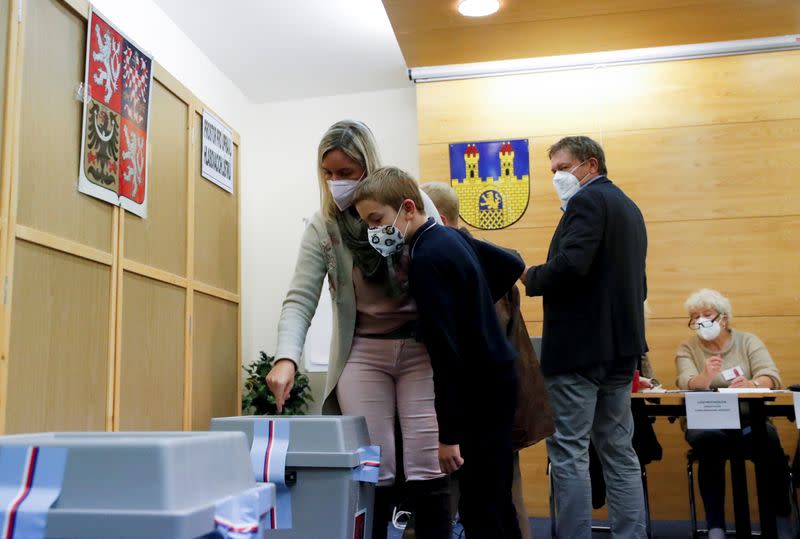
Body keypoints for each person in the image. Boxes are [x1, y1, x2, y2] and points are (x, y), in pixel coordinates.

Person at [265, 120, 450, 539]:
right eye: (328, 174)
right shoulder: (323, 226)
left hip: (421, 347)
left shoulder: (410, 203)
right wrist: (285, 357)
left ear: (368, 166)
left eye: (346, 173)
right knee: (374, 462)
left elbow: (446, 261)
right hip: (363, 351)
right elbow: (300, 298)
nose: (336, 183)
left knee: (427, 460)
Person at [353, 167, 524, 539]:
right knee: (497, 499)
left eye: (377, 220)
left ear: (408, 207)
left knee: (479, 508)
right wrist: (472, 304)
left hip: (480, 391)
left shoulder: (426, 260)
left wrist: (447, 437)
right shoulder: (449, 236)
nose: (373, 231)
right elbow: (512, 263)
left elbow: (445, 357)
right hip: (500, 377)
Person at [522, 136, 648, 538]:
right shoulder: (630, 208)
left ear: (590, 165)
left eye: (562, 168)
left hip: (579, 351)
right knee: (619, 452)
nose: (557, 177)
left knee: (569, 452)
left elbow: (573, 265)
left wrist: (529, 276)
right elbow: (638, 284)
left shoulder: (586, 202)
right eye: (553, 171)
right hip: (621, 350)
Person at [421, 181, 554, 539]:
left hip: (479, 406)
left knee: (485, 504)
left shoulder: (462, 264)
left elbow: (469, 347)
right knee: (503, 499)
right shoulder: (483, 259)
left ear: (439, 218)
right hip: (501, 402)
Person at [675, 288, 793, 539]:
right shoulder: (687, 348)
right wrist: (704, 376)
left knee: (769, 441)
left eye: (706, 314)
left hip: (749, 420)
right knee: (709, 443)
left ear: (724, 318)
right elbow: (685, 381)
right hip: (707, 420)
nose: (700, 320)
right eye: (695, 316)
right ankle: (715, 526)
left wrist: (752, 384)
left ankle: (781, 517)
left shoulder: (748, 341)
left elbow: (771, 375)